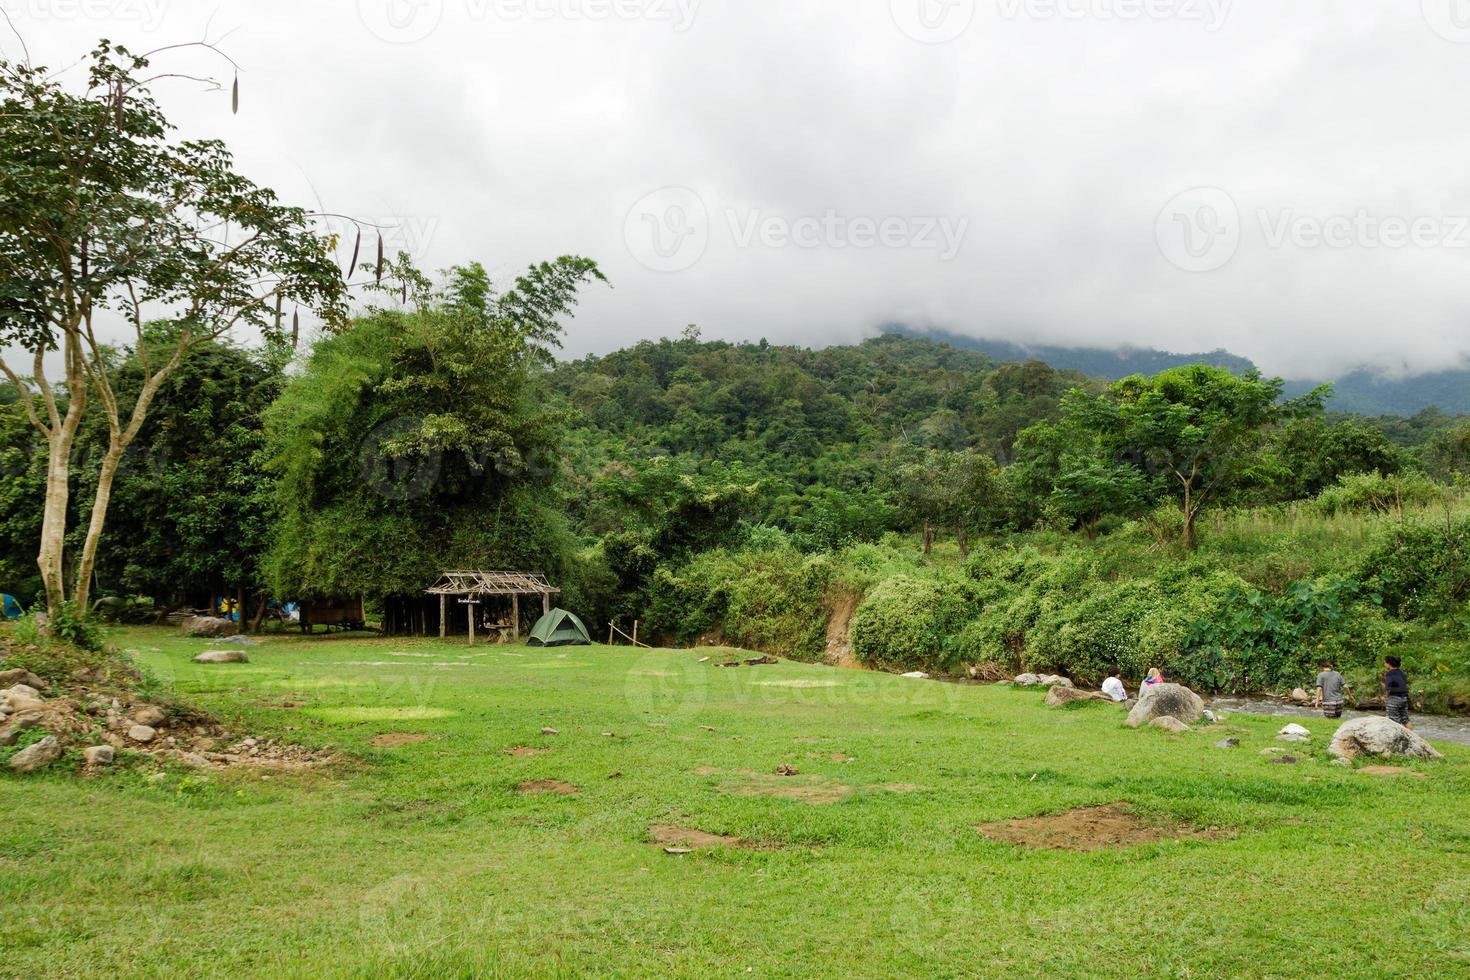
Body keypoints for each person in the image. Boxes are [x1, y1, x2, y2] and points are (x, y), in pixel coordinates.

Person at [1383, 656, 1412, 730]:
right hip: (1404, 698)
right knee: (1405, 719)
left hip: (1394, 699)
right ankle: (1413, 737)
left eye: (1385, 663)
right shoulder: (1402, 673)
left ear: (1389, 664)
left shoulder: (1389, 674)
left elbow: (1387, 688)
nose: (1384, 664)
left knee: (1394, 721)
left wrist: (1385, 698)